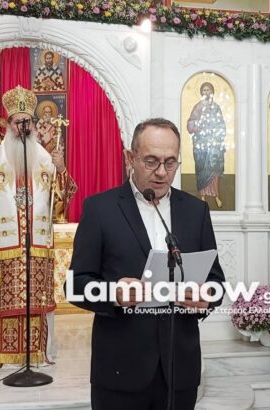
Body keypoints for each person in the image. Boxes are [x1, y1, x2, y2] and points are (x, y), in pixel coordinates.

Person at [67, 118, 225, 410]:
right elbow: (75, 285)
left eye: (170, 162)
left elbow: (217, 282)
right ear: (130, 158)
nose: (162, 172)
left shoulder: (196, 211)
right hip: (120, 370)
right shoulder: (99, 209)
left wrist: (207, 296)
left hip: (179, 369)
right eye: (151, 161)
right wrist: (113, 293)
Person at [0, 85, 77, 369]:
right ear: (9, 124)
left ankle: (37, 354)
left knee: (37, 301)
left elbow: (64, 198)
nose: (22, 128)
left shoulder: (46, 158)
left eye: (27, 122)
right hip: (4, 247)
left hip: (38, 247)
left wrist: (61, 169)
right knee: (1, 301)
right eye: (17, 122)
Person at [186, 82, 226, 208]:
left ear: (212, 92)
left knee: (215, 169)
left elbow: (222, 124)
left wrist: (217, 134)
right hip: (201, 144)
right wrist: (198, 126)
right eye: (204, 90)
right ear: (201, 93)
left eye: (208, 90)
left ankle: (216, 196)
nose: (206, 92)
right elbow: (190, 124)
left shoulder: (216, 107)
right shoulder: (198, 107)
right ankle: (202, 196)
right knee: (202, 169)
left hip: (214, 144)